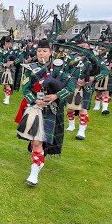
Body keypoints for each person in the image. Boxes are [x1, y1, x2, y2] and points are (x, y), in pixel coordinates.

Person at [14, 38, 75, 186]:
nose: (42, 53)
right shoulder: (30, 68)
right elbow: (26, 89)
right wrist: (35, 100)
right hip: (36, 109)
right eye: (39, 51)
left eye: (45, 51)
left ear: (50, 52)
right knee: (36, 142)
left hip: (52, 110)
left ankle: (37, 165)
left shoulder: (59, 68)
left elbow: (70, 88)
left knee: (41, 141)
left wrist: (55, 96)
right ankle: (34, 173)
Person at [63, 38, 109, 140]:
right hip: (72, 85)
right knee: (70, 107)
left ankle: (81, 131)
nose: (84, 48)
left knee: (83, 108)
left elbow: (105, 71)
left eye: (86, 46)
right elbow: (64, 72)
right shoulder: (71, 57)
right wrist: (73, 80)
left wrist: (93, 78)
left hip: (87, 87)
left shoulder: (93, 58)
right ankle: (71, 125)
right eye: (82, 47)